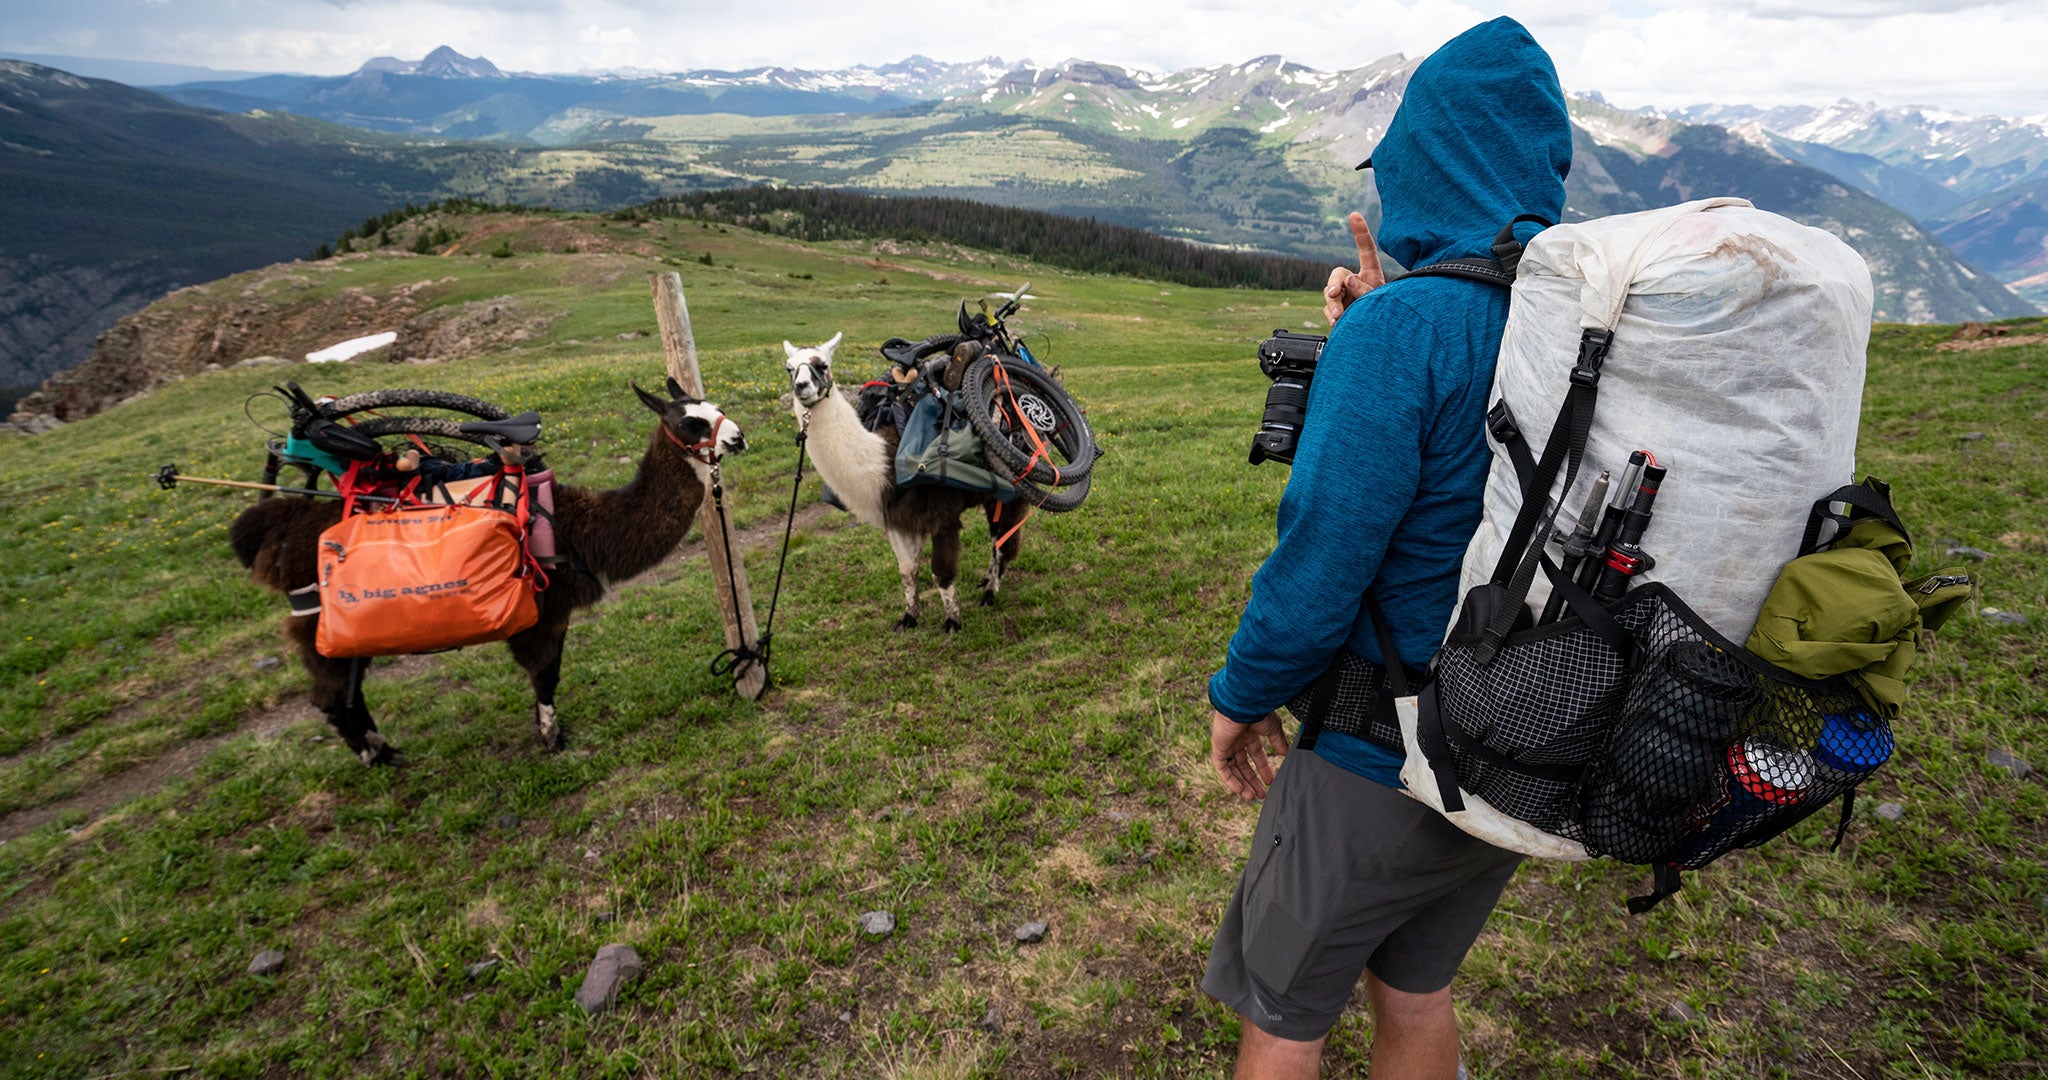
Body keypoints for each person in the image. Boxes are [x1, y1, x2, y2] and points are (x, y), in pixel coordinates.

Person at [1202, 18, 1572, 1079]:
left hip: (1378, 745)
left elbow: (1321, 561)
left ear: (1422, 161)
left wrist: (1239, 698)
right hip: (1514, 736)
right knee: (1413, 990)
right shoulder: (1567, 322)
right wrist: (1386, 311)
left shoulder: (1403, 331)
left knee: (1283, 1014)